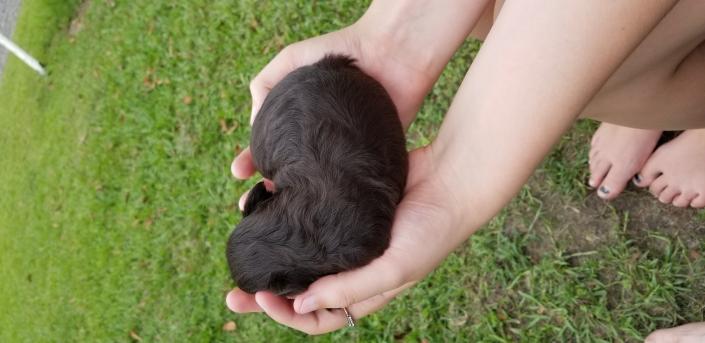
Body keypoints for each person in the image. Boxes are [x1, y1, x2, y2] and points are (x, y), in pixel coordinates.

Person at [226, 0, 705, 340]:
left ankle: (664, 108)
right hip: (330, 93)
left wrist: (460, 182)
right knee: (496, 20)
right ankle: (642, 98)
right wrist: (395, 38)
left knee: (604, 76)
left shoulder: (341, 232)